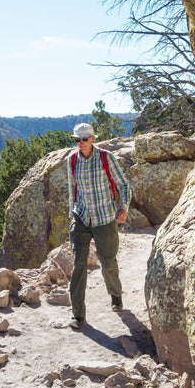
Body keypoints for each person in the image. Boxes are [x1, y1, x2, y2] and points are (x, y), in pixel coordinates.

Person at [66, 121, 132, 329]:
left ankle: (115, 295)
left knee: (108, 261)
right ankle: (78, 315)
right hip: (82, 217)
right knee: (78, 263)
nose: (81, 143)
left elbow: (123, 185)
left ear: (93, 139)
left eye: (85, 139)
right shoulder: (72, 160)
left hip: (105, 218)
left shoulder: (106, 157)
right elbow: (72, 189)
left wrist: (123, 208)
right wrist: (72, 213)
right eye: (77, 139)